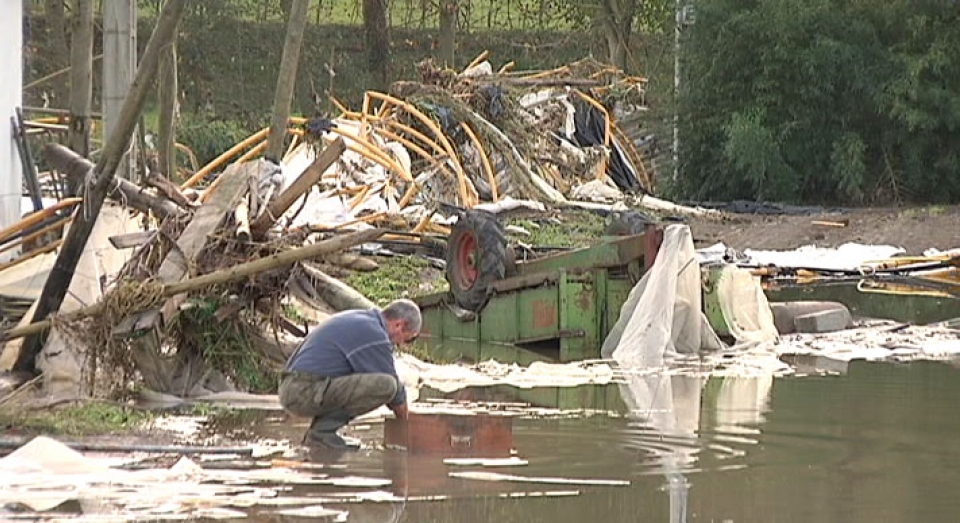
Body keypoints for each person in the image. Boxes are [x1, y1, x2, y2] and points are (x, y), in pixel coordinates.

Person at [279, 299, 421, 449]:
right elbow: (396, 392)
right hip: (301, 390)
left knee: (378, 384)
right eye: (408, 339)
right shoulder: (374, 334)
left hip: (296, 386)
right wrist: (406, 425)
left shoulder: (363, 320)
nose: (400, 344)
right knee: (387, 386)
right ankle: (321, 434)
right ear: (399, 325)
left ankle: (321, 434)